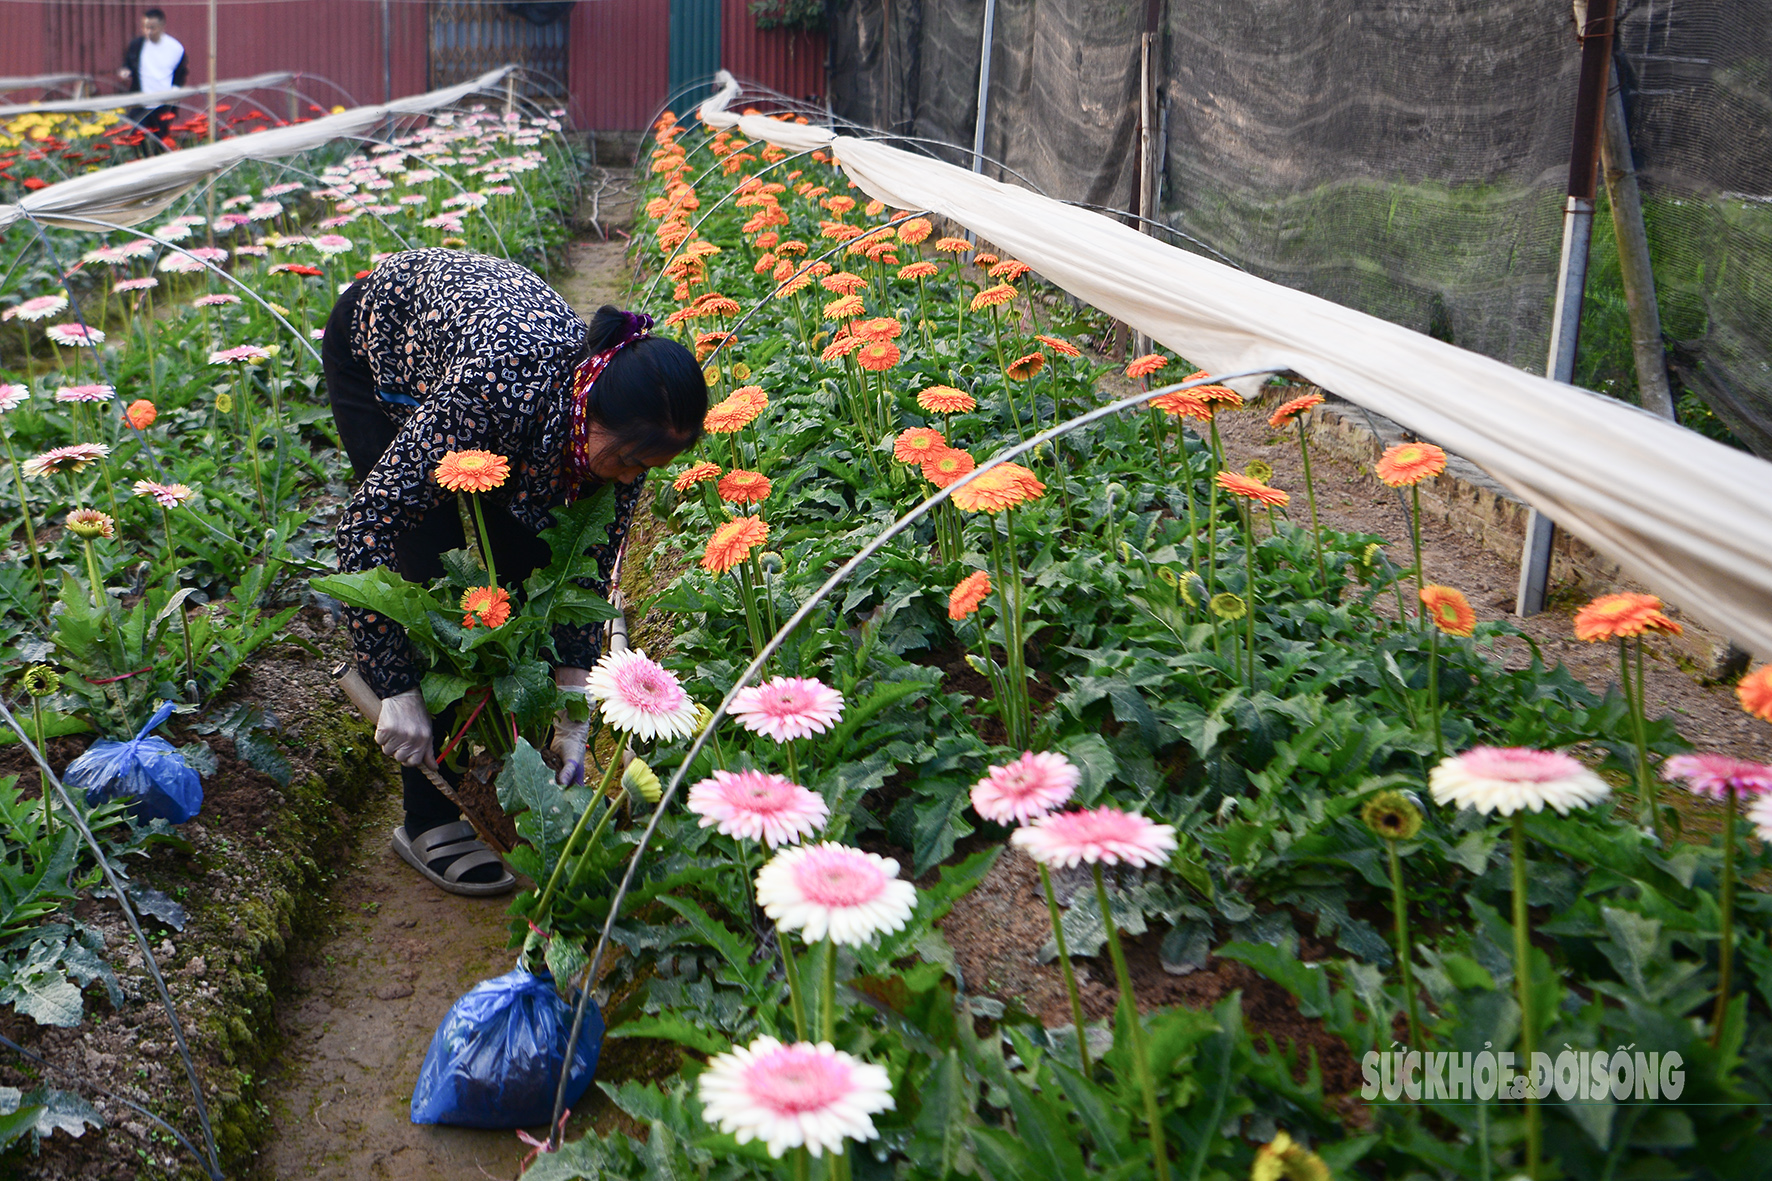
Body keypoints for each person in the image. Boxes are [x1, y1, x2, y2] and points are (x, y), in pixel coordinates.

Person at [324, 249, 707, 896]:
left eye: (647, 467)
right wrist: (395, 689)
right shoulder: (493, 391)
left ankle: (513, 774)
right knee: (438, 582)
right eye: (624, 459)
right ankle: (427, 816)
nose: (631, 477)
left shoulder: (618, 447)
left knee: (528, 579)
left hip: (506, 406)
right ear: (589, 411)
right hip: (381, 353)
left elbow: (578, 579)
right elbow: (368, 526)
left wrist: (571, 712)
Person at [118, 8, 187, 144]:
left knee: (160, 141)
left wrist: (174, 94)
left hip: (164, 104)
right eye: (145, 27)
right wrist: (125, 71)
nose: (148, 31)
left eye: (152, 28)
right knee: (136, 139)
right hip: (140, 102)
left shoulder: (176, 48)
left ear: (162, 27)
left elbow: (180, 75)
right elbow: (128, 64)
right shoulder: (136, 45)